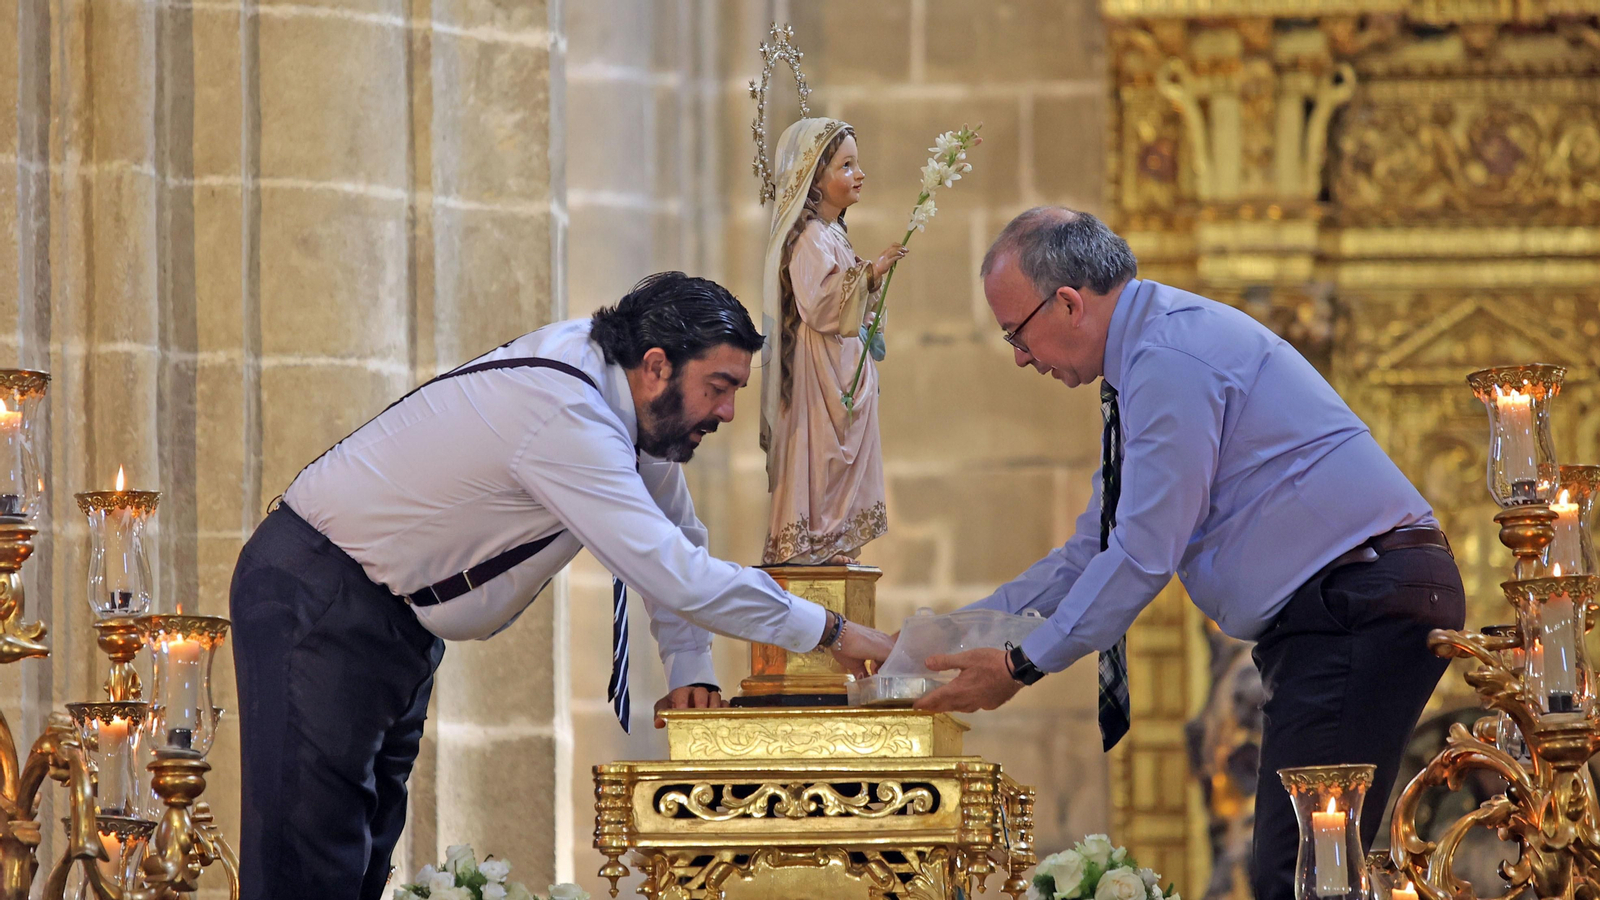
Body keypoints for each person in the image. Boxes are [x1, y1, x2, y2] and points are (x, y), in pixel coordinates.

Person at [229, 271, 894, 900]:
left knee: (358, 859)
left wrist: (690, 666)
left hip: (383, 619)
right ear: (658, 364)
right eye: (718, 387)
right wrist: (831, 630)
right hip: (320, 594)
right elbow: (674, 571)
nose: (724, 412)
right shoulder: (569, 412)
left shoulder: (626, 404)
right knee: (309, 865)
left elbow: (677, 536)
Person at [913, 208, 1465, 900]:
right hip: (1345, 605)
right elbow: (1095, 547)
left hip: (1356, 601)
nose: (1021, 358)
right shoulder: (1148, 358)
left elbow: (1143, 556)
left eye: (1015, 335)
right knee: (1306, 871)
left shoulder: (1167, 360)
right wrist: (959, 633)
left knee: (1301, 876)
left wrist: (1021, 665)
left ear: (1067, 303)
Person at [759, 117, 907, 565]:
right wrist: (870, 273)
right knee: (821, 454)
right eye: (846, 166)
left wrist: (871, 286)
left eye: (856, 165)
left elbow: (853, 308)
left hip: (841, 368)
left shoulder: (834, 235)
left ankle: (835, 538)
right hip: (819, 373)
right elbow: (821, 306)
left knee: (838, 457)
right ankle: (816, 541)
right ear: (814, 181)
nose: (858, 175)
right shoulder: (806, 238)